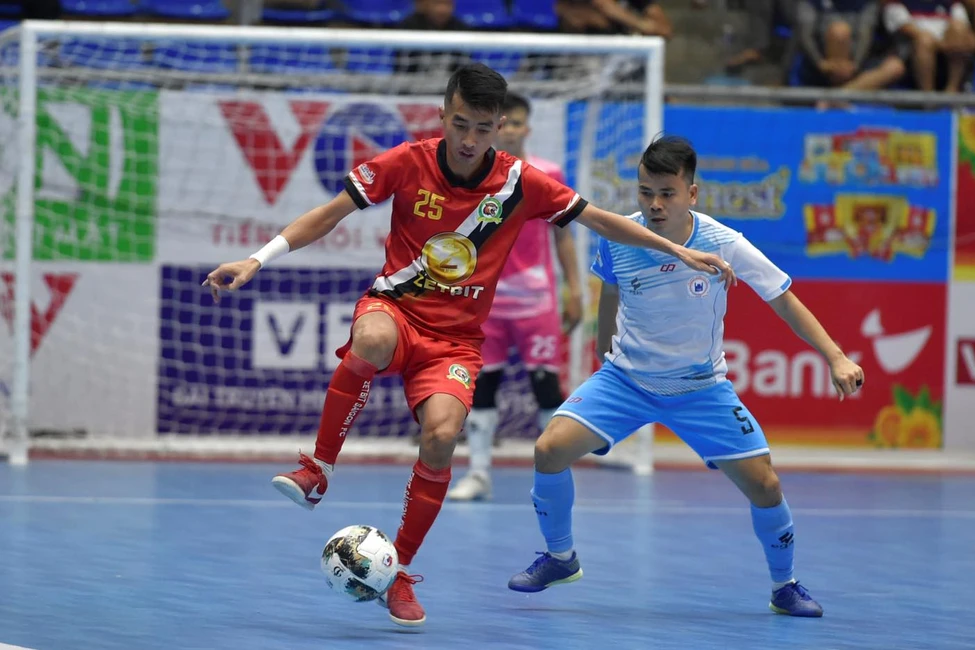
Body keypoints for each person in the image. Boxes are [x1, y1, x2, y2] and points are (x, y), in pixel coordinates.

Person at [202, 65, 736, 628]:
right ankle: (317, 470)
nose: (468, 139)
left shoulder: (521, 182)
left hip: (455, 343)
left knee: (441, 437)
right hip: (396, 310)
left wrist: (680, 251)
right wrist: (257, 259)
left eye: (482, 128)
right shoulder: (406, 162)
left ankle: (400, 572)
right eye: (460, 124)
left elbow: (601, 222)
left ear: (499, 127)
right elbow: (328, 215)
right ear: (442, 115)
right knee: (372, 338)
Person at [507, 136, 865, 618]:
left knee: (766, 486)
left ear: (691, 193)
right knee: (549, 450)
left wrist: (835, 357)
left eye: (667, 193)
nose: (654, 204)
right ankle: (560, 557)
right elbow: (610, 289)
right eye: (645, 192)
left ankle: (785, 585)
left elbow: (782, 299)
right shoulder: (620, 234)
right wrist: (602, 346)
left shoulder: (723, 242)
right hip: (625, 382)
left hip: (701, 390)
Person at [448, 91, 582, 503]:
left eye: (519, 123)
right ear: (495, 127)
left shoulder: (548, 173)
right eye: (504, 124)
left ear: (527, 128)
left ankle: (555, 478)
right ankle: (478, 474)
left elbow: (563, 236)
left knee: (546, 388)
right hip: (485, 301)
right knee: (482, 385)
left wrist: (575, 288)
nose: (511, 131)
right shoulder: (472, 174)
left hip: (536, 302)